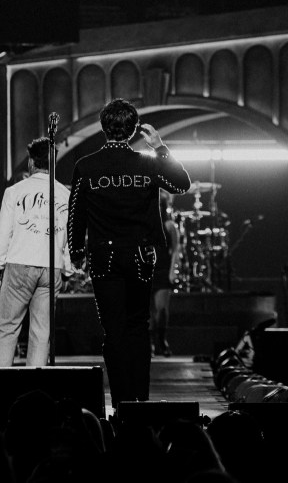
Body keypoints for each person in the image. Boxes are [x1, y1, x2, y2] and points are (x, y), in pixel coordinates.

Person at [67, 98, 191, 407]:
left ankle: (122, 400)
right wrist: (160, 147)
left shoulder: (86, 165)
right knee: (138, 327)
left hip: (103, 256)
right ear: (134, 129)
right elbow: (181, 185)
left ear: (103, 127)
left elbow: (76, 214)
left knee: (114, 330)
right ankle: (140, 400)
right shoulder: (148, 163)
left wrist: (77, 252)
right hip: (140, 255)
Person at [0, 136, 72, 367]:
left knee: (7, 329)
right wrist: (67, 271)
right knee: (41, 333)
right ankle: (35, 393)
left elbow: (3, 232)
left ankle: (0, 391)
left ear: (31, 163)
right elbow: (68, 239)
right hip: (51, 266)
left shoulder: (15, 192)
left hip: (19, 264)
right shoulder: (65, 195)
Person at [150, 189, 181, 357]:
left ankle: (161, 341)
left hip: (163, 270)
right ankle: (151, 345)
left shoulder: (169, 226)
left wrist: (172, 272)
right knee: (148, 312)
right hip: (147, 270)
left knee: (161, 309)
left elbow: (176, 250)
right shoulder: (144, 224)